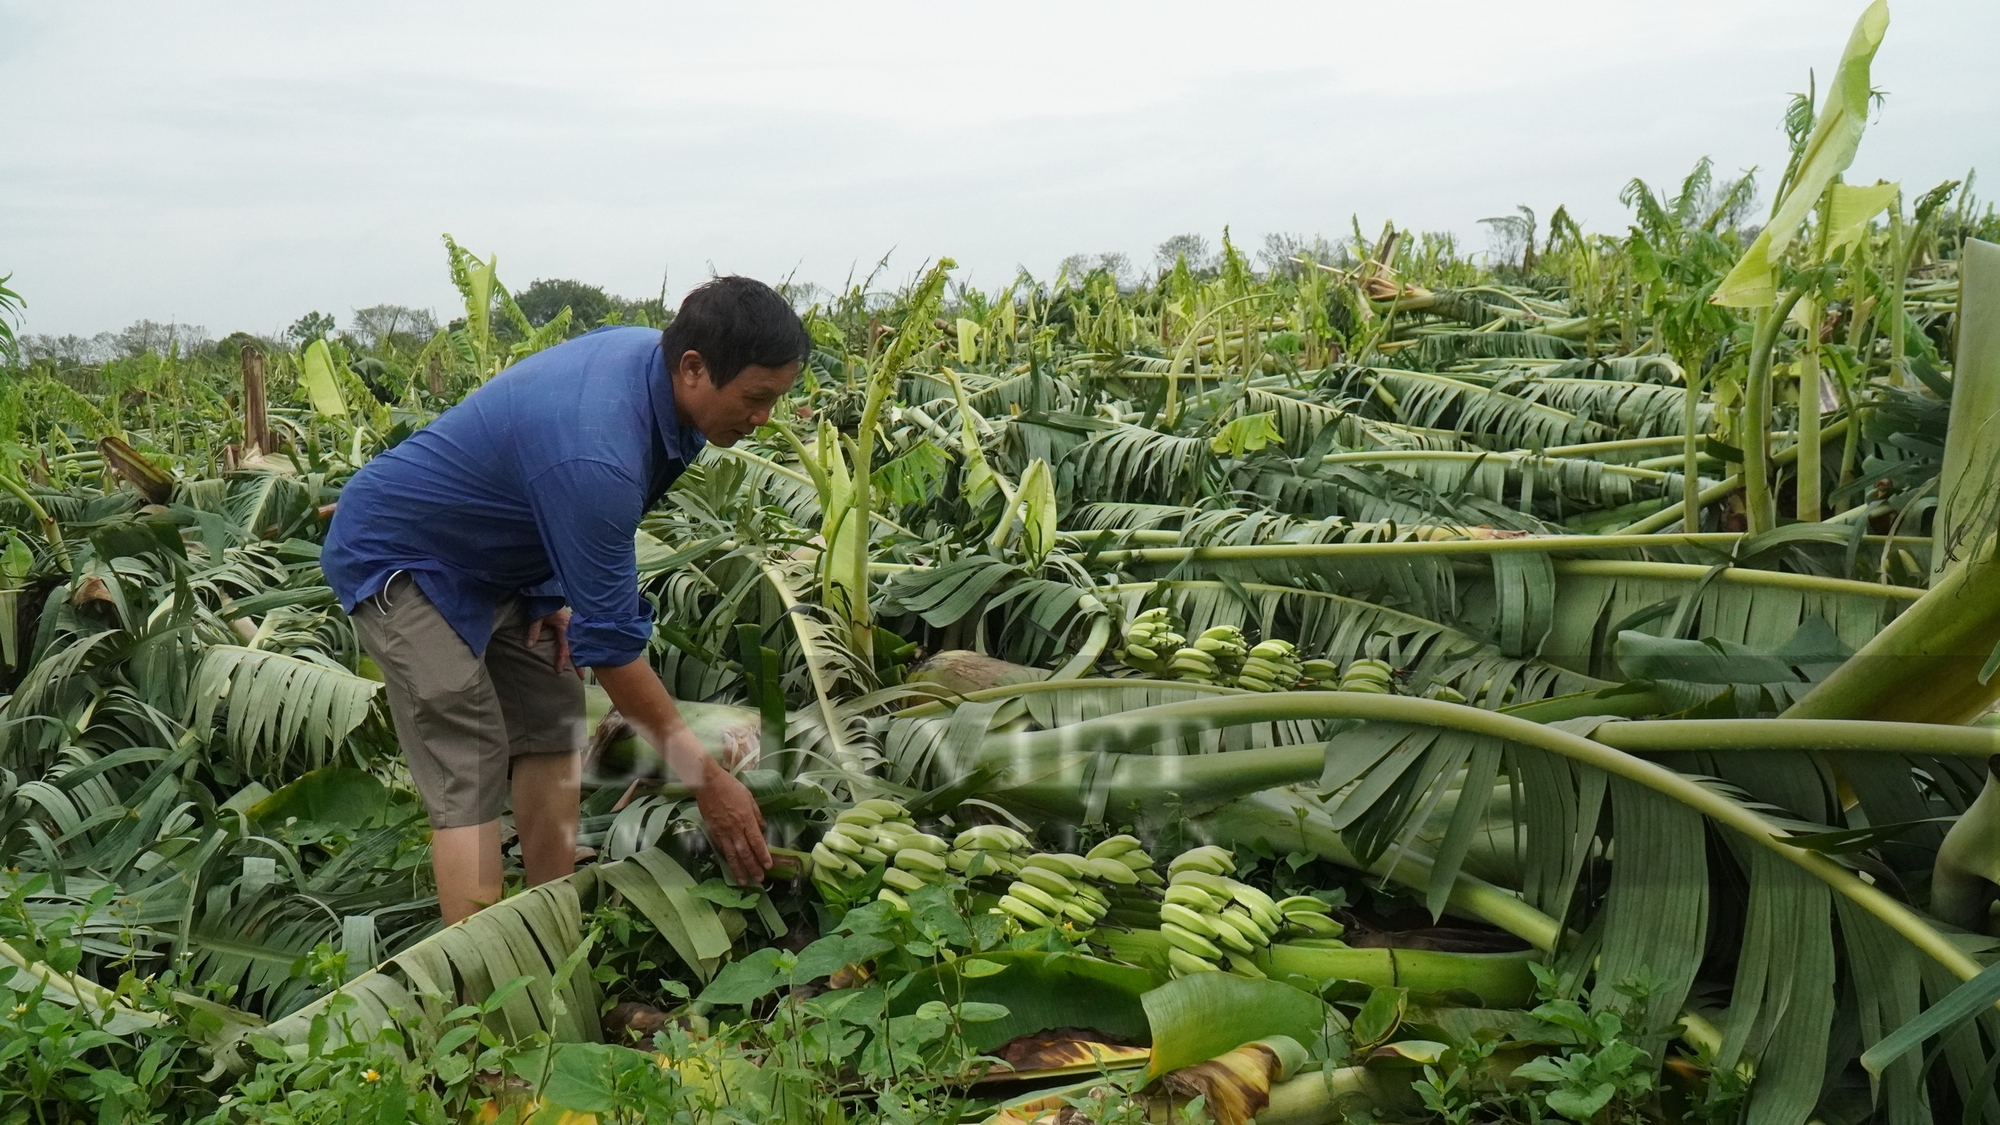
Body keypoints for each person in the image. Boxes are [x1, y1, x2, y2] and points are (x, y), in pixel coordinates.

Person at [323, 276, 800, 923]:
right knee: (471, 753)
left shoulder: (656, 370)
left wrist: (548, 585)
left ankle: (553, 922)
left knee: (552, 713)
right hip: (404, 558)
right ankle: (486, 982)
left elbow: (546, 491)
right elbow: (614, 652)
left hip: (498, 561)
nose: (765, 416)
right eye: (757, 397)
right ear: (694, 368)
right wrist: (709, 781)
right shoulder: (599, 450)